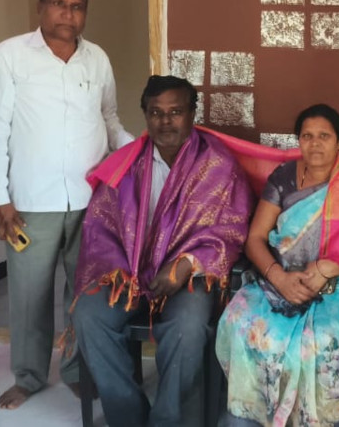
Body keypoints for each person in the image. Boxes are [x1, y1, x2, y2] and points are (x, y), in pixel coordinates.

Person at [0, 0, 134, 409]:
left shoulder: (96, 58)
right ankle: (29, 376)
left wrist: (141, 154)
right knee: (29, 296)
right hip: (30, 202)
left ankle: (75, 370)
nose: (68, 14)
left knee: (84, 293)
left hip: (91, 201)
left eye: (77, 6)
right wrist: (0, 199)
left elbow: (109, 119)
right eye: (59, 4)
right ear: (41, 7)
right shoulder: (11, 55)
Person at [71, 75, 255, 427]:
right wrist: (116, 268)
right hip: (129, 273)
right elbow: (100, 227)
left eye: (175, 112)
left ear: (192, 114)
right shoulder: (126, 163)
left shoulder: (218, 165)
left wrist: (186, 265)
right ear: (145, 115)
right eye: (156, 112)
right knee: (88, 316)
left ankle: (167, 419)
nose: (165, 121)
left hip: (190, 276)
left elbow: (230, 230)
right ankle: (128, 416)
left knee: (187, 326)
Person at [217, 104, 339, 426]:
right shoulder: (283, 178)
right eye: (307, 136)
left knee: (332, 339)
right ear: (298, 140)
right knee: (244, 324)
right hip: (279, 280)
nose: (315, 144)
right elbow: (255, 238)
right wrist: (279, 278)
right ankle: (252, 417)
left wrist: (330, 268)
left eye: (324, 136)